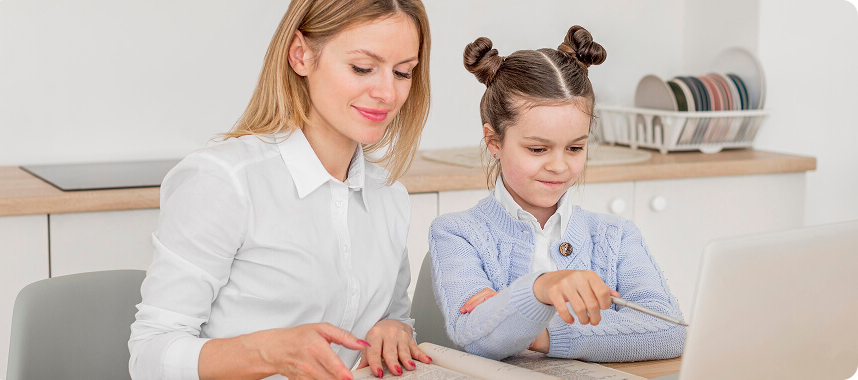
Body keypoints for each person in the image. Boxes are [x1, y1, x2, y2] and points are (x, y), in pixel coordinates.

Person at [128, 1, 432, 379]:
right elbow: (149, 357)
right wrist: (268, 354)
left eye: (403, 72)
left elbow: (394, 317)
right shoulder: (225, 182)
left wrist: (394, 330)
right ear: (301, 55)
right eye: (362, 68)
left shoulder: (389, 197)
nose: (388, 92)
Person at [428, 26, 686, 362]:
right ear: (494, 142)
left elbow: (670, 333)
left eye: (576, 147)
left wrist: (540, 332)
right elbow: (477, 337)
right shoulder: (456, 234)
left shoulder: (617, 236)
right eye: (538, 149)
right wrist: (543, 288)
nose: (559, 166)